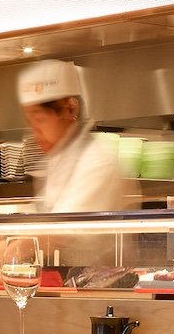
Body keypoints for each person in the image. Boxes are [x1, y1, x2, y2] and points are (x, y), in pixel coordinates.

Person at [19, 59, 135, 216]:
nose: (35, 132)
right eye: (29, 121)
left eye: (39, 120)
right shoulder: (57, 160)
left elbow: (60, 233)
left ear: (69, 109)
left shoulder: (95, 162)